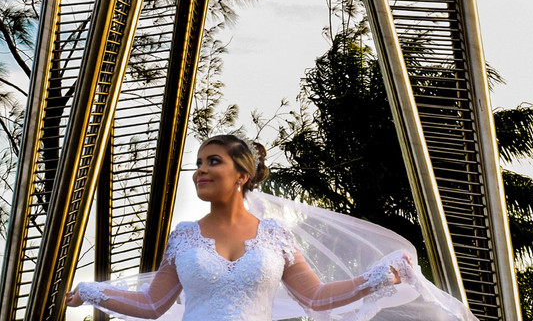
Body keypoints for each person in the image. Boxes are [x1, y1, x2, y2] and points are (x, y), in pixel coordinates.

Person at [65, 134, 477, 321]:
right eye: (198, 163)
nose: (199, 171)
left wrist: (373, 280)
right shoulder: (184, 236)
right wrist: (88, 291)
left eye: (213, 162)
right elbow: (152, 306)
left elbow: (315, 297)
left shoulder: (275, 236)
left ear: (242, 175)